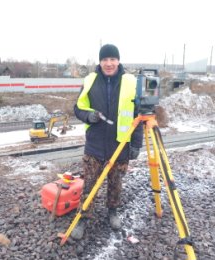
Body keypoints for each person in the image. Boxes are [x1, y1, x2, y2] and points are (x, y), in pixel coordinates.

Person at [71, 44, 143, 240]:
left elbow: (139, 115)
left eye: (112, 59)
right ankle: (83, 218)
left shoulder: (131, 82)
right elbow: (77, 108)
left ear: (118, 61)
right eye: (105, 59)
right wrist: (88, 116)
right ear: (100, 61)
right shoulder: (90, 80)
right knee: (90, 185)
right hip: (94, 145)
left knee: (115, 184)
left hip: (119, 145)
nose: (109, 63)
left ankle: (112, 211)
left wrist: (136, 143)